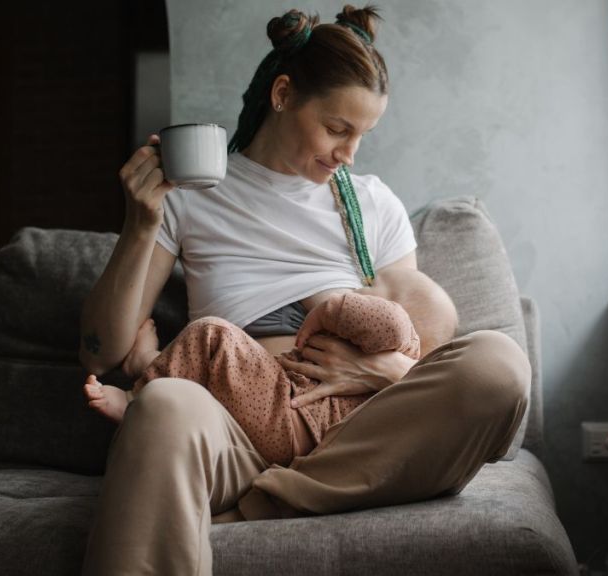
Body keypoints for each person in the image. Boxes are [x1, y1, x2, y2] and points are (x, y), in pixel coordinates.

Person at [79, 6, 530, 575]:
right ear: (283, 94)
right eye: (337, 128)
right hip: (239, 424)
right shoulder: (192, 194)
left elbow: (414, 338)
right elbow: (99, 353)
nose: (349, 153)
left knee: (499, 364)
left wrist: (384, 375)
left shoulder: (371, 204)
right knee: (164, 402)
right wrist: (141, 223)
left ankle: (265, 504)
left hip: (356, 430)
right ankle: (287, 493)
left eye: (362, 135)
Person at [82, 268, 456, 466]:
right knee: (214, 387)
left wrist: (334, 304)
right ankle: (150, 364)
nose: (361, 287)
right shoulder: (389, 390)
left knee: (213, 335)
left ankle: (137, 397)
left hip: (288, 416)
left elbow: (387, 322)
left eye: (374, 286)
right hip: (298, 441)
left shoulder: (400, 338)